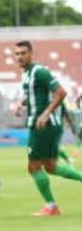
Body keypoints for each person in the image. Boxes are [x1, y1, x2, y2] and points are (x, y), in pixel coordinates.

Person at [13, 41, 82, 216]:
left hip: (44, 125)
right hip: (45, 125)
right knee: (50, 166)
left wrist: (44, 114)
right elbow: (33, 97)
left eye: (23, 53)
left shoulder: (40, 72)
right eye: (17, 54)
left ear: (31, 53)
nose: (20, 57)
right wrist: (21, 104)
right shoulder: (27, 75)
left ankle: (51, 207)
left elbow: (61, 92)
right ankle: (52, 206)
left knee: (33, 167)